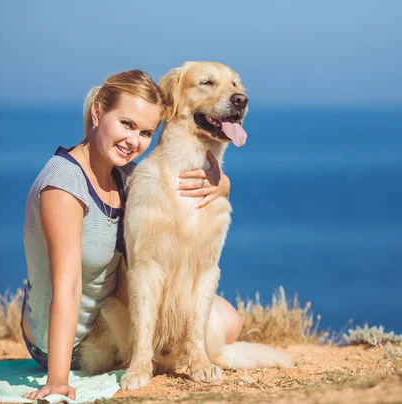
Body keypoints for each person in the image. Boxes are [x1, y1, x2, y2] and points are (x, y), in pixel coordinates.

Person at [21, 70, 244, 401]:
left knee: (227, 319)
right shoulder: (64, 188)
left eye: (145, 132)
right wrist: (57, 379)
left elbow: (177, 181)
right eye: (126, 124)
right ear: (97, 113)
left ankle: (176, 352)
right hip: (73, 339)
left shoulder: (125, 175)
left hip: (116, 311)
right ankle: (141, 357)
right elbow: (66, 287)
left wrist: (221, 184)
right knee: (211, 325)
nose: (133, 141)